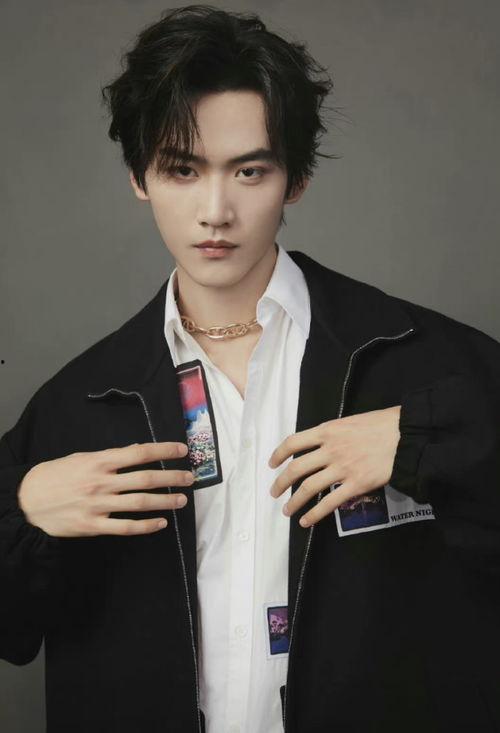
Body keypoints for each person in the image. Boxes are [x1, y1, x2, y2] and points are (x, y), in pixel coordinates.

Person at [1, 5, 500, 733]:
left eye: (249, 170)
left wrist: (432, 441)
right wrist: (20, 510)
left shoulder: (427, 364)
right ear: (139, 176)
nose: (215, 210)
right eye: (182, 169)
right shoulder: (76, 402)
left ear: (295, 179)